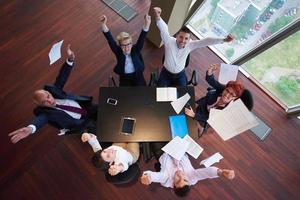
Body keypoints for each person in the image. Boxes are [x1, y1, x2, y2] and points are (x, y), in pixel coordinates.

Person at [8, 45, 97, 144]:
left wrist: (70, 60)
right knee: (102, 130)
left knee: (108, 109)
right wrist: (30, 128)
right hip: (81, 124)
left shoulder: (54, 91)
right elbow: (40, 120)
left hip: (86, 107)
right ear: (41, 105)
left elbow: (62, 77)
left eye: (48, 96)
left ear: (49, 93)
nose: (49, 101)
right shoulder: (46, 113)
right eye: (44, 102)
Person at [153, 7, 234, 87]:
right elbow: (164, 29)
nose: (183, 41)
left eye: (186, 38)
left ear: (189, 39)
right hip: (166, 74)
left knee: (183, 94)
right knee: (160, 94)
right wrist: (158, 17)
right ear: (176, 36)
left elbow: (206, 41)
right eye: (181, 37)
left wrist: (224, 40)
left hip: (180, 75)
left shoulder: (190, 45)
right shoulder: (169, 41)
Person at [185, 63, 244, 135]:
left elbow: (210, 119)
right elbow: (212, 81)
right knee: (182, 112)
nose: (227, 94)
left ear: (235, 98)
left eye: (231, 95)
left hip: (206, 117)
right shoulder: (222, 89)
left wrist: (194, 115)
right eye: (227, 90)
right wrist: (210, 73)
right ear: (225, 88)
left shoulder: (228, 110)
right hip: (203, 104)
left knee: (194, 132)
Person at [140, 152, 235, 197]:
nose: (181, 176)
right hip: (180, 149)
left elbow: (156, 177)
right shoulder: (192, 178)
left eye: (178, 180)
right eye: (185, 180)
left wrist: (148, 177)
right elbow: (206, 173)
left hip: (163, 152)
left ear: (173, 185)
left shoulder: (166, 181)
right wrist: (221, 172)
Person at [100, 14, 151, 86]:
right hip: (125, 78)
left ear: (131, 43)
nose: (126, 48)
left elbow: (142, 38)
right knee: (124, 94)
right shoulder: (118, 51)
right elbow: (110, 40)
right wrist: (103, 24)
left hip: (138, 76)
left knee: (141, 92)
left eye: (128, 44)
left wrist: (147, 24)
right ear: (120, 46)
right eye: (123, 45)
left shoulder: (136, 49)